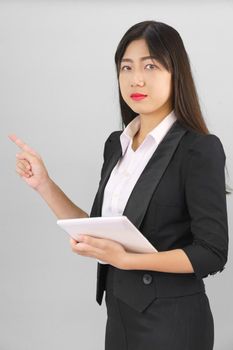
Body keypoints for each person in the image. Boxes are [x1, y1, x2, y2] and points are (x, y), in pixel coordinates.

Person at [9, 20, 229, 350]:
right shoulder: (117, 143)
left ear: (176, 73)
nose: (136, 78)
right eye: (126, 67)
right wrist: (44, 183)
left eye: (150, 66)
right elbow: (98, 230)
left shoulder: (198, 148)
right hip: (121, 316)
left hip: (173, 323)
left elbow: (212, 254)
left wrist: (127, 260)